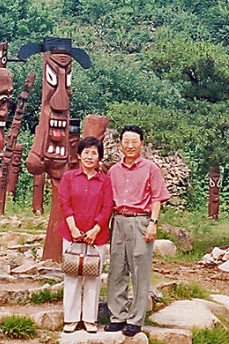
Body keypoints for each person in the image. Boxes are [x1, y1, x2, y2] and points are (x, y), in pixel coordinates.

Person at [106, 125, 170, 337]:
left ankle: (135, 319)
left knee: (139, 270)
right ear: (120, 144)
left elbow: (157, 197)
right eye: (126, 142)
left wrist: (153, 222)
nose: (130, 146)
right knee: (116, 269)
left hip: (141, 221)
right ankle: (118, 316)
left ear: (141, 144)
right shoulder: (114, 171)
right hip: (118, 220)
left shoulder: (151, 168)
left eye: (134, 142)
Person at [58, 135, 113, 333]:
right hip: (71, 234)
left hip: (97, 236)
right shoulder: (69, 177)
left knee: (93, 277)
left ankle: (90, 318)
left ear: (99, 158)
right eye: (86, 152)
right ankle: (71, 319)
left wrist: (95, 229)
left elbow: (107, 207)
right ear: (79, 155)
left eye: (94, 153)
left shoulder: (105, 181)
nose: (90, 157)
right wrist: (73, 228)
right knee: (72, 275)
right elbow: (65, 203)